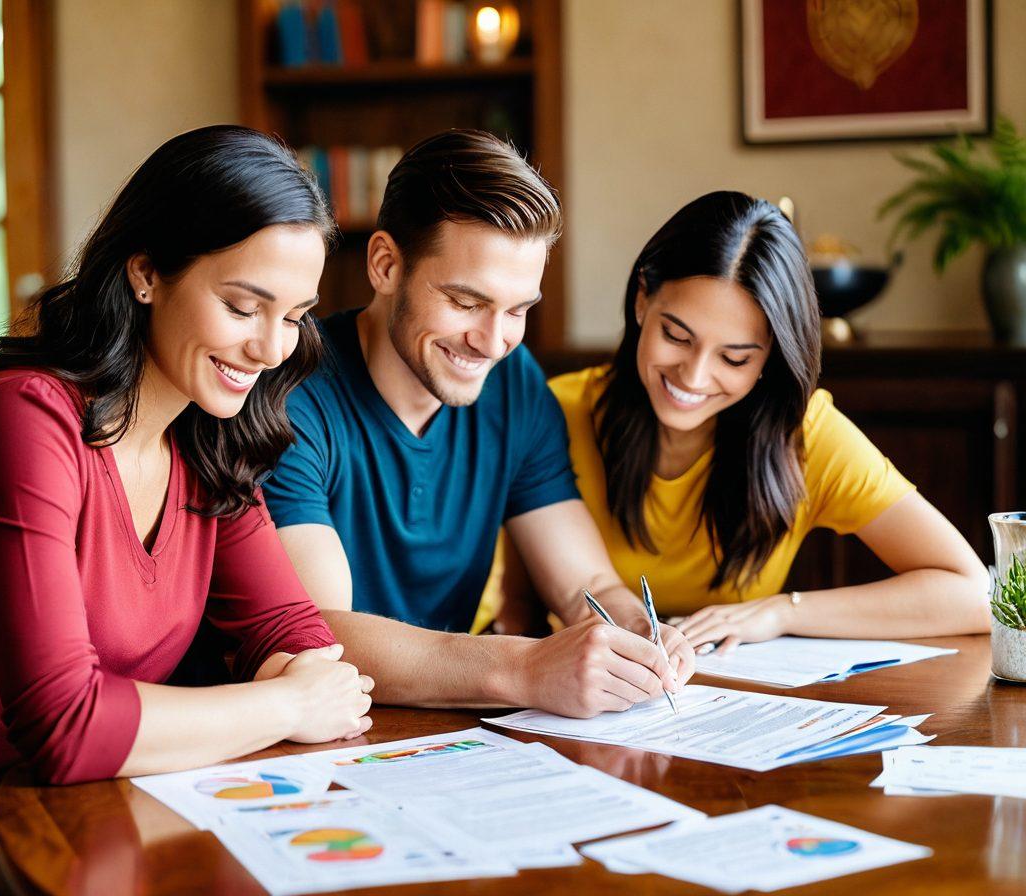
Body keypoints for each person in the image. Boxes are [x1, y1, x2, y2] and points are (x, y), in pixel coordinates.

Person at [0, 126, 373, 892]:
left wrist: (299, 689)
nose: (274, 348)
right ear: (146, 272)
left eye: (296, 314)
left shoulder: (209, 438)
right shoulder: (25, 421)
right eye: (244, 306)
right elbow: (66, 729)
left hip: (101, 824)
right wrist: (285, 702)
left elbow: (293, 637)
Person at [263, 129, 694, 720]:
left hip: (453, 728)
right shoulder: (291, 390)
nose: (493, 342)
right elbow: (323, 635)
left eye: (517, 310)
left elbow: (581, 584)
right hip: (328, 732)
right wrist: (524, 668)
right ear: (386, 264)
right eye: (466, 302)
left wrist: (637, 631)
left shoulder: (515, 385)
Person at [526, 190, 988, 655]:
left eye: (734, 358)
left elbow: (972, 594)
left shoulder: (805, 435)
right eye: (676, 336)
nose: (695, 376)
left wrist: (781, 611)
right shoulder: (555, 411)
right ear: (642, 298)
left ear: (771, 357)